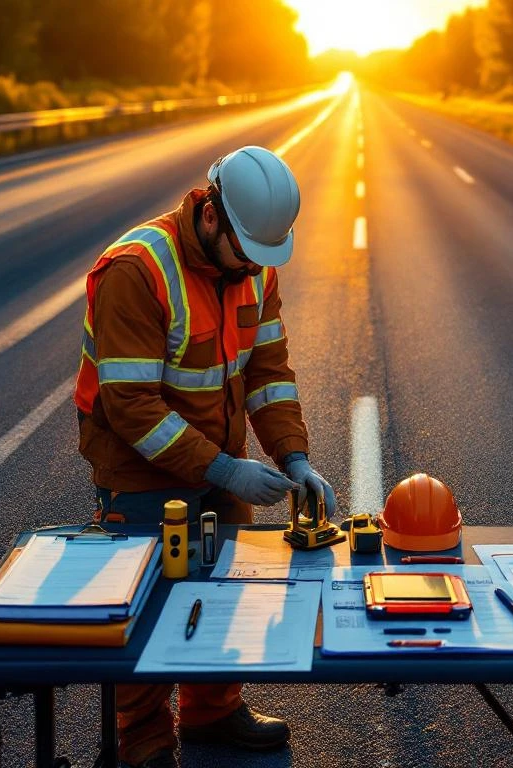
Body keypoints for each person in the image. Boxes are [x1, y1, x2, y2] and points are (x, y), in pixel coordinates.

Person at [73, 145, 336, 768]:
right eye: (245, 253)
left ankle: (212, 712)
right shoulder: (136, 270)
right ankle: (143, 738)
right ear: (212, 215)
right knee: (148, 596)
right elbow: (131, 405)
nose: (252, 267)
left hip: (221, 451)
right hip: (139, 462)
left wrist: (294, 458)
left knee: (225, 582)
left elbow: (269, 373)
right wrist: (222, 469)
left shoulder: (254, 265)